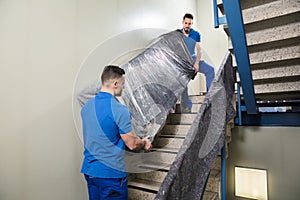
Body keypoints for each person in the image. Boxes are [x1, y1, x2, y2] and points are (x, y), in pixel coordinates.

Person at [80, 65, 152, 200]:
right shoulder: (119, 110)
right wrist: (144, 143)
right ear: (115, 83)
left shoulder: (86, 108)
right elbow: (132, 144)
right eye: (123, 84)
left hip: (90, 171)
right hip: (110, 174)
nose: (123, 88)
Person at [180, 13, 215, 113]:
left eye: (189, 24)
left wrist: (197, 63)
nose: (187, 25)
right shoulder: (178, 34)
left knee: (210, 70)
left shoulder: (196, 34)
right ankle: (186, 105)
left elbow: (199, 50)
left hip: (193, 59)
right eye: (186, 23)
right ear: (183, 23)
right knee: (182, 82)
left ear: (192, 24)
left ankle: (209, 98)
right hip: (182, 62)